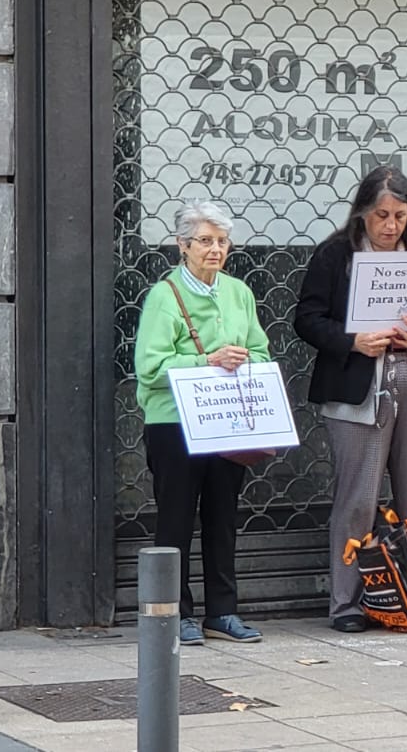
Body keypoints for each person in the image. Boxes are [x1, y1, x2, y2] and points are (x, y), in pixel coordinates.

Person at [294, 167, 407, 633]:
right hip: (357, 394)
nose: (390, 226)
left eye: (400, 216)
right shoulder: (336, 255)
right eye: (381, 215)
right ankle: (346, 604)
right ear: (363, 213)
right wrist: (352, 340)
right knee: (357, 501)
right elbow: (307, 318)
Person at [134, 201, 269, 645]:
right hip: (174, 422)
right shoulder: (165, 295)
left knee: (222, 516)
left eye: (222, 241)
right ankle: (176, 613)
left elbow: (261, 350)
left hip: (227, 418)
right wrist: (207, 360)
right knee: (175, 519)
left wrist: (246, 360)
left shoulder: (238, 292)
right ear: (182, 246)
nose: (215, 250)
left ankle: (223, 612)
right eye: (205, 241)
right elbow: (150, 367)